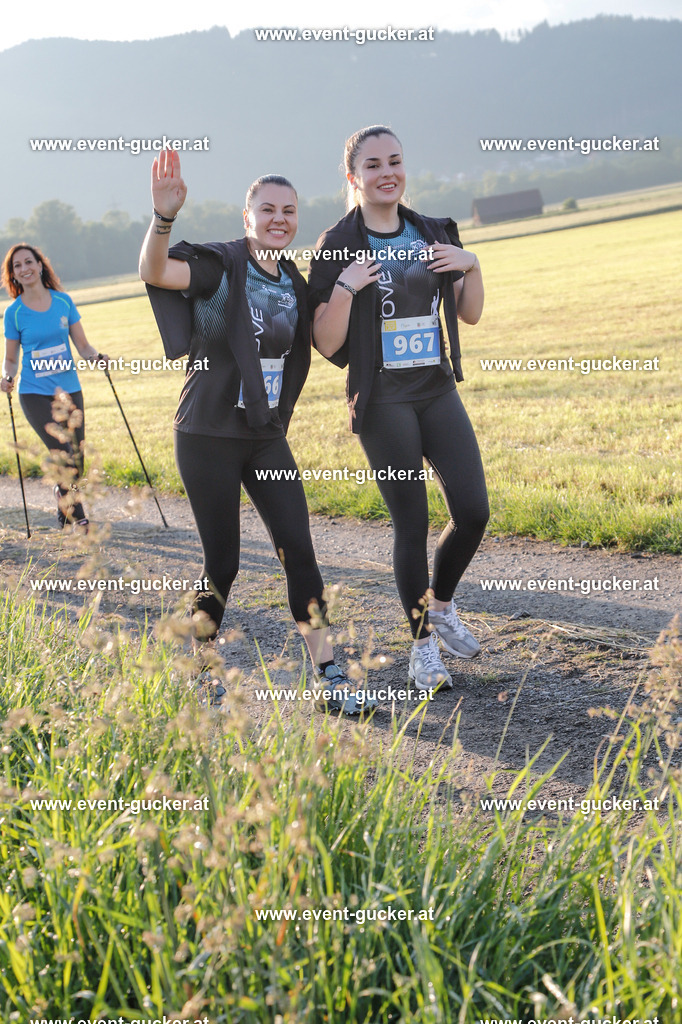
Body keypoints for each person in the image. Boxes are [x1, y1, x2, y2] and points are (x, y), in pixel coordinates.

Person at [139, 148, 376, 714]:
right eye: (267, 209)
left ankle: (329, 674)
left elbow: (316, 341)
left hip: (264, 433)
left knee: (300, 549)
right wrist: (164, 218)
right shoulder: (221, 267)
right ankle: (201, 668)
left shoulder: (293, 282)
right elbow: (155, 271)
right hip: (207, 435)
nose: (279, 219)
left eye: (288, 211)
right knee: (223, 562)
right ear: (248, 217)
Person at [309, 125, 489, 691]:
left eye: (395, 161)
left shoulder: (431, 230)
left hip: (435, 390)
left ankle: (440, 605)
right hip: (383, 400)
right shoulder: (338, 242)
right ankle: (420, 648)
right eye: (373, 165)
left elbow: (470, 315)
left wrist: (472, 264)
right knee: (411, 522)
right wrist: (344, 287)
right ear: (353, 177)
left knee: (474, 510)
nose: (387, 172)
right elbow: (326, 343)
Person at [1, 244, 109, 530]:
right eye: (17, 266)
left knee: (77, 457)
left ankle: (62, 497)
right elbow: (11, 359)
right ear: (13, 275)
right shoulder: (14, 313)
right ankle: (79, 516)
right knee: (61, 451)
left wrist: (97, 358)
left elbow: (83, 345)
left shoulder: (63, 302)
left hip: (69, 389)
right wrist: (7, 377)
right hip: (34, 393)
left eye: (28, 262)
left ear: (40, 265)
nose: (24, 269)